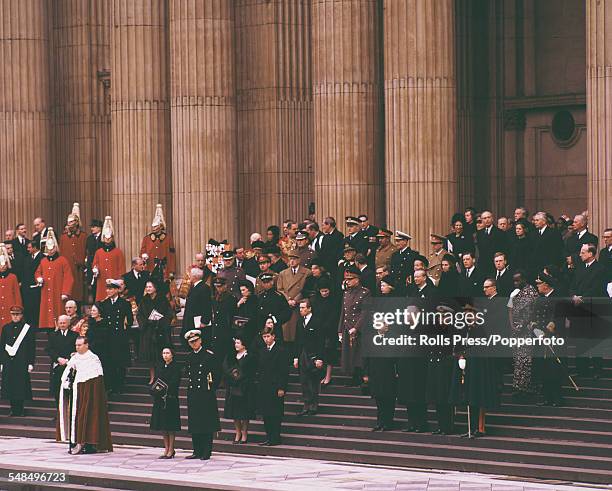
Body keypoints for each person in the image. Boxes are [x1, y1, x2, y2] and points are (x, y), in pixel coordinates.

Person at [57, 336, 113, 454]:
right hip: (76, 391)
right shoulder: (75, 358)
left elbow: (96, 378)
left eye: (80, 345)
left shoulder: (93, 358)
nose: (77, 347)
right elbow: (68, 373)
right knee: (76, 416)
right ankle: (76, 441)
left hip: (89, 393)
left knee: (89, 416)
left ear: (86, 345)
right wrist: (67, 382)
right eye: (76, 345)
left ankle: (89, 443)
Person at [184, 329, 221, 460]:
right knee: (195, 422)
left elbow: (216, 373)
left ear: (200, 340)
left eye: (195, 341)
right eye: (191, 342)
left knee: (206, 422)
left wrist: (212, 388)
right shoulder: (189, 357)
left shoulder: (208, 355)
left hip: (206, 393)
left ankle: (206, 451)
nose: (194, 344)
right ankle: (196, 450)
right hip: (194, 393)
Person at [35, 228, 74, 329]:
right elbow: (37, 272)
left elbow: (68, 277)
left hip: (58, 292)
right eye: (48, 248)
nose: (50, 250)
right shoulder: (43, 261)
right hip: (46, 292)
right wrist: (39, 278)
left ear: (55, 248)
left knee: (58, 311)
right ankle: (47, 327)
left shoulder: (62, 260)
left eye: (52, 248)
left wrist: (65, 292)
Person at [509, 270, 539, 401]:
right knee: (518, 360)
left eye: (517, 280)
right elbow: (511, 309)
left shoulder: (531, 292)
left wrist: (521, 326)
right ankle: (518, 387)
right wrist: (513, 326)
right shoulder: (517, 293)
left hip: (526, 332)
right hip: (516, 332)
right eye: (514, 281)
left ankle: (525, 388)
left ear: (524, 279)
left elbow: (530, 312)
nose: (515, 283)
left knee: (525, 360)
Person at [338, 266, 371, 386]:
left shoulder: (365, 292)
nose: (348, 281)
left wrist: (356, 328)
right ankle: (353, 376)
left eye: (350, 279)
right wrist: (340, 330)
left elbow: (365, 312)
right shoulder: (346, 293)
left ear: (357, 279)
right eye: (347, 279)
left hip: (359, 328)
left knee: (359, 354)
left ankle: (362, 377)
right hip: (347, 326)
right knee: (349, 354)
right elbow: (343, 312)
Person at [256, 325, 289, 446]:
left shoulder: (280, 350)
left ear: (273, 336)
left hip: (276, 386)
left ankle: (275, 437)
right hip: (264, 386)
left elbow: (283, 371)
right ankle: (269, 436)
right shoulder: (262, 351)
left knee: (275, 413)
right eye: (264, 337)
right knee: (266, 413)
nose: (266, 339)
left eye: (268, 336)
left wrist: (282, 387)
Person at [99, 279, 133, 395]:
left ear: (117, 290)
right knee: (109, 362)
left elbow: (129, 320)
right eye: (107, 289)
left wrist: (125, 334)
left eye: (111, 289)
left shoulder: (124, 303)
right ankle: (111, 385)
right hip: (108, 337)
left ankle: (120, 385)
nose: (108, 291)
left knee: (120, 362)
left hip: (119, 337)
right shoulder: (104, 304)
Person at [0, 306, 35, 416]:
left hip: (22, 362)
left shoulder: (27, 329)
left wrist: (30, 363)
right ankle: (13, 409)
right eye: (13, 314)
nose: (15, 316)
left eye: (17, 314)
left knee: (20, 385)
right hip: (8, 362)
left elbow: (31, 347)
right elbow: (1, 346)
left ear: (21, 315)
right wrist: (1, 362)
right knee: (10, 385)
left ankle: (20, 409)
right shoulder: (6, 328)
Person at [138, 280, 173, 384]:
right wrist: (147, 322)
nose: (148, 289)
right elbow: (139, 315)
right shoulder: (144, 300)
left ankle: (163, 376)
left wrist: (160, 322)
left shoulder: (162, 299)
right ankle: (152, 377)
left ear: (155, 288)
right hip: (148, 331)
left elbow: (169, 314)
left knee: (161, 355)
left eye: (150, 287)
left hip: (160, 331)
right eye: (147, 287)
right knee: (151, 358)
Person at [294, 299, 325, 416]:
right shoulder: (299, 321)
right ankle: (306, 405)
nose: (301, 310)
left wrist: (320, 358)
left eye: (303, 308)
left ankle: (313, 405)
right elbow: (297, 340)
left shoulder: (317, 321)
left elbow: (321, 341)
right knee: (304, 381)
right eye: (300, 308)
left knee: (313, 380)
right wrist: (295, 357)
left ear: (309, 308)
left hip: (313, 354)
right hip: (302, 354)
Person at [223, 336, 257, 444]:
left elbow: (251, 372)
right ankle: (237, 432)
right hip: (233, 386)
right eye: (235, 343)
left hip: (245, 387)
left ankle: (244, 432)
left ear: (244, 344)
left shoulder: (250, 357)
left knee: (245, 412)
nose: (236, 345)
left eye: (238, 343)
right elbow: (226, 368)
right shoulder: (232, 356)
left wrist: (241, 378)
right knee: (234, 412)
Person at [150, 347, 181, 458]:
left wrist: (165, 389)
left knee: (170, 426)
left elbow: (175, 382)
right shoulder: (160, 366)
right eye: (163, 353)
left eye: (167, 353)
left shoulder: (176, 367)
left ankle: (171, 449)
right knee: (163, 425)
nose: (165, 355)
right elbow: (156, 381)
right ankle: (166, 448)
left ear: (172, 354)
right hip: (159, 399)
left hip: (170, 398)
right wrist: (154, 390)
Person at [276, 250, 310, 344]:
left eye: (294, 259)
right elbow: (280, 289)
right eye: (290, 259)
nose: (292, 261)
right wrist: (288, 299)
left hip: (299, 306)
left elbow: (306, 289)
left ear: (299, 260)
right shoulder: (282, 273)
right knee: (287, 335)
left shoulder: (307, 272)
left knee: (298, 334)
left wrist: (296, 300)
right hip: (287, 306)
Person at [91, 217, 126, 302]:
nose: (107, 239)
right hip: (101, 281)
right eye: (106, 238)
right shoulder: (98, 252)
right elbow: (95, 264)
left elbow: (121, 268)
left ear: (112, 238)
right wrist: (95, 269)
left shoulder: (118, 252)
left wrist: (119, 281)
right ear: (103, 238)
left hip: (114, 281)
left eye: (109, 238)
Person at [59, 203, 87, 303]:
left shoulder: (83, 236)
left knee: (79, 291)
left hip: (79, 268)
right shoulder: (64, 237)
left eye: (71, 222)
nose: (69, 224)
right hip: (67, 267)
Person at [140, 204, 176, 280]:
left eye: (156, 226)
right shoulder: (146, 239)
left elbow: (172, 255)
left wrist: (172, 270)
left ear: (161, 226)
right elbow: (142, 253)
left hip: (164, 269)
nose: (154, 228)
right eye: (153, 226)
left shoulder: (168, 238)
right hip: (150, 268)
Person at [47, 314, 78, 402]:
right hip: (57, 366)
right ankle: (59, 414)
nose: (62, 325)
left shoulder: (75, 335)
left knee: (69, 391)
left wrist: (68, 360)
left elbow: (76, 349)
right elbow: (49, 349)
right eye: (60, 323)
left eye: (64, 323)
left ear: (68, 323)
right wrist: (58, 358)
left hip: (69, 366)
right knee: (57, 390)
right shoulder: (52, 335)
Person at [180, 268, 212, 345]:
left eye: (190, 275)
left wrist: (205, 321)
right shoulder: (195, 287)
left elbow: (207, 305)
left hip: (199, 322)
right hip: (192, 321)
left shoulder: (204, 288)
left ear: (195, 276)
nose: (189, 277)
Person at [86, 303, 111, 387]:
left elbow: (103, 339)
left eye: (94, 310)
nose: (91, 312)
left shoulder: (105, 324)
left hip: (102, 351)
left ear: (99, 312)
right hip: (91, 351)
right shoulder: (90, 323)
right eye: (91, 310)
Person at [0, 245, 22, 332]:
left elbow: (17, 294)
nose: (2, 267)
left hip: (10, 309)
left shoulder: (13, 277)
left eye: (4, 264)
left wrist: (18, 309)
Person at [235, 281, 259, 346]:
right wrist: (238, 304)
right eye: (241, 291)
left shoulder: (255, 299)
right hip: (242, 329)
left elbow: (254, 315)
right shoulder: (241, 300)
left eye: (244, 290)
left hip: (252, 329)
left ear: (249, 289)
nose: (242, 292)